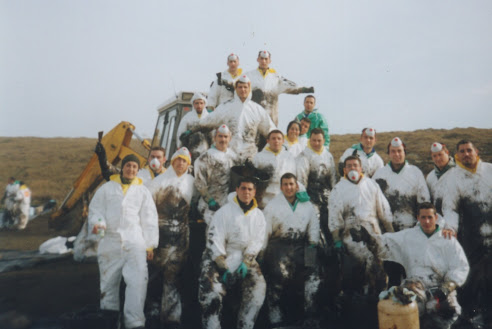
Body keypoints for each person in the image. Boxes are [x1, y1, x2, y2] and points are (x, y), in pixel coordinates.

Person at [356, 203, 469, 329]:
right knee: (404, 308)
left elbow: (461, 266)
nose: (426, 221)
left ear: (435, 218)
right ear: (418, 218)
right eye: (423, 217)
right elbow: (385, 244)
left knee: (448, 312)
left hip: (440, 288)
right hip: (415, 285)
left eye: (430, 217)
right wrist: (370, 240)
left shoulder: (448, 240)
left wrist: (449, 285)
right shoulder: (408, 236)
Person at [89, 154, 159, 329]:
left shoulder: (142, 191)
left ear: (137, 170)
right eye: (128, 166)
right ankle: (109, 319)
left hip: (135, 242)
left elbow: (149, 218)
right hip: (110, 241)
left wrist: (150, 244)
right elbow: (95, 210)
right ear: (123, 167)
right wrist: (99, 229)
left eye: (135, 167)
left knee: (137, 283)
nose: (131, 170)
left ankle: (134, 322)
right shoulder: (107, 189)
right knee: (108, 282)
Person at [198, 177, 266, 329]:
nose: (246, 192)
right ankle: (212, 325)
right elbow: (214, 238)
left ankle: (245, 324)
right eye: (243, 188)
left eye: (250, 189)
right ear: (237, 190)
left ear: (254, 192)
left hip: (244, 259)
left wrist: (247, 261)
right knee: (211, 294)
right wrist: (222, 265)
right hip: (218, 257)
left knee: (258, 289)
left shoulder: (259, 216)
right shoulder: (224, 212)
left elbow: (257, 241)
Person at [441, 140, 492, 323]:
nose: (466, 154)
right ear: (457, 155)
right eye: (461, 151)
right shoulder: (453, 177)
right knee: (472, 279)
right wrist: (450, 228)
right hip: (472, 236)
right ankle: (469, 318)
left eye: (469, 150)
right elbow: (450, 208)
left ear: (476, 151)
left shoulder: (489, 170)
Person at [262, 173, 321, 327]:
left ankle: (310, 313)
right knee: (279, 275)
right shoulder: (272, 206)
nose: (289, 187)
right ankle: (275, 316)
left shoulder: (307, 205)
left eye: (291, 184)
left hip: (302, 246)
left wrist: (312, 248)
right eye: (285, 184)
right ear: (281, 187)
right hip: (278, 247)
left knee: (313, 275)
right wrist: (262, 255)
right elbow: (265, 233)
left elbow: (313, 227)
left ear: (297, 186)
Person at [328, 156, 394, 294]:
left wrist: (391, 233)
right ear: (345, 169)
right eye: (349, 166)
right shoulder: (338, 189)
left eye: (355, 165)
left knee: (379, 272)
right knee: (358, 274)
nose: (352, 168)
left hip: (374, 234)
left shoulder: (371, 185)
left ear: (360, 168)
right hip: (351, 239)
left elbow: (383, 210)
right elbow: (334, 216)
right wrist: (337, 240)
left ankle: (379, 300)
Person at [147, 147, 195, 328]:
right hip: (159, 235)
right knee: (154, 274)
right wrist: (149, 241)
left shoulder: (191, 182)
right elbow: (146, 211)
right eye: (178, 160)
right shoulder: (157, 182)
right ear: (172, 161)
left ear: (188, 163)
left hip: (181, 236)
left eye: (184, 161)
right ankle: (151, 312)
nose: (180, 163)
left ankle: (172, 318)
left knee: (173, 276)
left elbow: (198, 201)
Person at [184, 75, 275, 163]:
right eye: (240, 87)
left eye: (245, 87)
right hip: (229, 156)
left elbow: (270, 130)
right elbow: (208, 121)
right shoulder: (226, 107)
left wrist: (283, 144)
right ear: (236, 88)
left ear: (249, 88)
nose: (242, 90)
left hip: (250, 157)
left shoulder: (257, 110)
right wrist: (191, 130)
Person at [372, 137, 430, 231]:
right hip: (387, 230)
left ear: (404, 152)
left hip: (412, 228)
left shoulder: (415, 172)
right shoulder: (379, 174)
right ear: (389, 153)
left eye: (399, 151)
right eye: (393, 151)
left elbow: (424, 201)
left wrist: (420, 225)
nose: (397, 154)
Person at [247, 50, 314, 125]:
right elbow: (236, 87)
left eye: (266, 59)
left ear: (270, 61)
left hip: (271, 118)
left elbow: (291, 87)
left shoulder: (276, 77)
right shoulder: (249, 76)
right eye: (262, 58)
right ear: (258, 59)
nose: (263, 61)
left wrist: (304, 89)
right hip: (254, 117)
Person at [296, 128, 337, 239]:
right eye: (313, 140)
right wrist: (303, 196)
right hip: (310, 195)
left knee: (330, 221)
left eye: (319, 140)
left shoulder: (328, 156)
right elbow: (301, 178)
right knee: (314, 223)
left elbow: (333, 177)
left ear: (323, 140)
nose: (316, 143)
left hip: (326, 195)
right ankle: (316, 246)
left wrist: (334, 194)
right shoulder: (304, 155)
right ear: (310, 140)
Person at [194, 124, 238, 224]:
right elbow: (199, 182)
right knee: (213, 233)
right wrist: (209, 200)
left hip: (229, 203)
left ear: (230, 138)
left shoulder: (233, 155)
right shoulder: (205, 157)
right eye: (220, 136)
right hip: (211, 205)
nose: (223, 139)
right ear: (214, 138)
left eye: (225, 136)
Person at [252, 129, 296, 208]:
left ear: (283, 141)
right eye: (273, 138)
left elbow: (294, 177)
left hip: (283, 198)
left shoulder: (289, 157)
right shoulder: (259, 157)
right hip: (264, 199)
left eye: (279, 138)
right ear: (268, 141)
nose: (276, 141)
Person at [425, 142, 455, 214]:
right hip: (438, 219)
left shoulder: (459, 172)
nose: (437, 158)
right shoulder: (430, 177)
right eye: (434, 156)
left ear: (447, 152)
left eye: (440, 154)